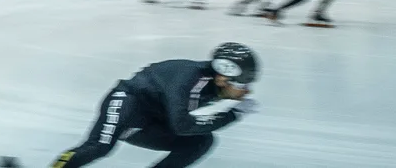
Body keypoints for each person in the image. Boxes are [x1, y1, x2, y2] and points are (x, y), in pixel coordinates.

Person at [49, 43, 259, 168]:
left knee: (201, 142)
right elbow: (182, 126)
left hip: (150, 119)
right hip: (127, 101)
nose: (245, 91)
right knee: (99, 147)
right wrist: (232, 115)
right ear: (223, 78)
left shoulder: (210, 85)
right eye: (242, 84)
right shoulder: (192, 79)